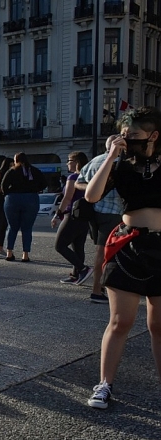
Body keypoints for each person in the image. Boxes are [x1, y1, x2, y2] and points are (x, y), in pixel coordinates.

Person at [84, 107, 161, 409]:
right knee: (120, 321)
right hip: (129, 246)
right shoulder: (121, 165)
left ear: (153, 136)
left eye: (134, 137)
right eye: (124, 136)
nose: (128, 141)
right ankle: (104, 384)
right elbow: (91, 195)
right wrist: (111, 157)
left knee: (158, 325)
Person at [74, 134, 123, 304]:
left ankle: (100, 287)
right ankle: (97, 290)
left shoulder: (95, 161)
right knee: (104, 252)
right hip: (114, 212)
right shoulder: (121, 162)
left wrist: (92, 191)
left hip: (95, 212)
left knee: (101, 250)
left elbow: (77, 182)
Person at [51, 151, 93, 285]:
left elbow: (67, 197)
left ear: (76, 162)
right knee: (78, 247)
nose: (67, 163)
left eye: (69, 160)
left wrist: (58, 215)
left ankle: (83, 269)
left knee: (60, 245)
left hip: (72, 214)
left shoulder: (73, 177)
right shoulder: (89, 176)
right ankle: (76, 274)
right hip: (85, 216)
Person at [1, 152, 46, 262]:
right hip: (31, 199)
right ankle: (25, 255)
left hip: (13, 199)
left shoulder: (12, 171)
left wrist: (9, 193)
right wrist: (34, 189)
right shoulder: (34, 171)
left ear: (16, 160)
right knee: (27, 228)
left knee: (12, 227)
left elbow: (3, 186)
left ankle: (9, 253)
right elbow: (44, 183)